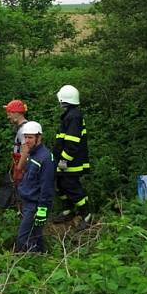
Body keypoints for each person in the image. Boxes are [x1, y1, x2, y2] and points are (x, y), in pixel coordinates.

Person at [53, 85, 91, 224]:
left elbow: (72, 143)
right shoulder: (70, 115)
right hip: (65, 161)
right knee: (61, 185)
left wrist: (64, 161)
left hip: (70, 163)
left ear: (64, 100)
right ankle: (68, 211)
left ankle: (86, 214)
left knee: (71, 187)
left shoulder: (74, 117)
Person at [16, 121, 55, 253]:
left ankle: (29, 263)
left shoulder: (45, 158)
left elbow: (47, 187)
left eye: (30, 137)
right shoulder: (31, 153)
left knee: (23, 239)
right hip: (27, 202)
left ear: (39, 137)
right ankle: (42, 260)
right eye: (25, 137)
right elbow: (21, 171)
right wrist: (24, 154)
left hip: (35, 205)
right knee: (36, 237)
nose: (27, 140)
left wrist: (42, 210)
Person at [0, 99, 29, 211]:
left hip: (23, 167)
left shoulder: (24, 130)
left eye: (9, 113)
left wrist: (19, 169)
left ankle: (24, 214)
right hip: (21, 165)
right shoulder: (23, 128)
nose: (8, 116)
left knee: (23, 192)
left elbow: (25, 151)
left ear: (16, 113)